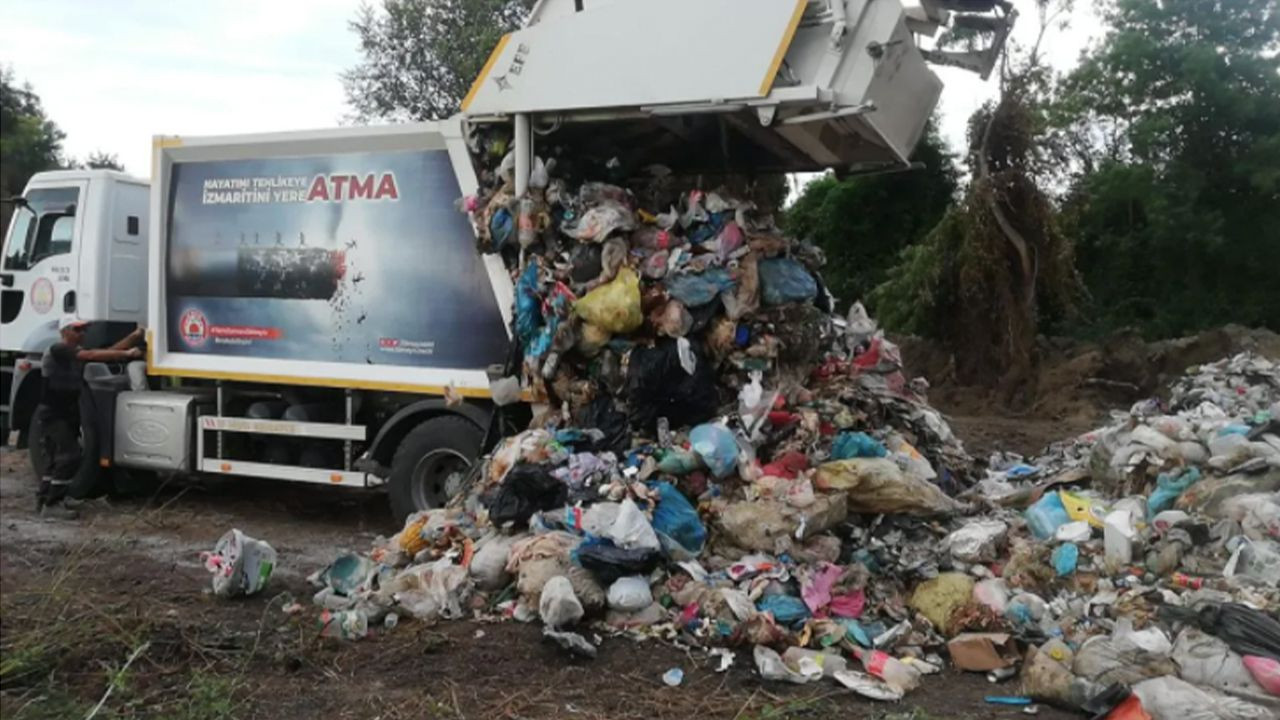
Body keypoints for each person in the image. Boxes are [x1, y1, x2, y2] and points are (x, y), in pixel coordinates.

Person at [34, 317, 145, 519]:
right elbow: (92, 354)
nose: (82, 333)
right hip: (53, 413)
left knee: (54, 458)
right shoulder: (58, 349)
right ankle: (52, 505)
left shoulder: (76, 354)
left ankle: (45, 498)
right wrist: (128, 353)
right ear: (64, 332)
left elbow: (105, 353)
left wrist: (133, 337)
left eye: (84, 330)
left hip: (67, 413)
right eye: (77, 330)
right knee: (70, 456)